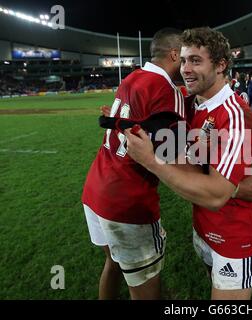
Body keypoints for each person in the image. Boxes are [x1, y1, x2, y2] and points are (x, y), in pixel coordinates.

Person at [125, 27, 252, 300]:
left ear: (221, 65)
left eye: (196, 61)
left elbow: (216, 195)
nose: (186, 69)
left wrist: (151, 161)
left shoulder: (236, 116)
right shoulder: (194, 105)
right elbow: (189, 159)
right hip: (203, 225)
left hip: (235, 235)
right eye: (185, 60)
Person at [81, 28, 186, 300]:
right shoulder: (166, 88)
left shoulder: (132, 77)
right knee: (146, 288)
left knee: (113, 265)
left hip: (96, 189)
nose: (188, 64)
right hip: (127, 202)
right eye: (186, 57)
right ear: (175, 54)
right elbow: (174, 158)